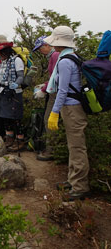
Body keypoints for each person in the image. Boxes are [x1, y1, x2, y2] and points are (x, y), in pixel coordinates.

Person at [45, 25, 89, 201]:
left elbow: (62, 91)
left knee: (77, 147)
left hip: (71, 108)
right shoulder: (73, 57)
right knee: (73, 145)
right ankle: (73, 180)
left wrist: (54, 112)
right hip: (74, 107)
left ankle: (80, 187)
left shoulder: (64, 61)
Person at [0, 41, 25, 152]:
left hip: (14, 93)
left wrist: (15, 83)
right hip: (3, 91)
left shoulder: (17, 60)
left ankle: (20, 140)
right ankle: (9, 139)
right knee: (5, 117)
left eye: (0, 52)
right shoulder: (2, 62)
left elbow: (20, 76)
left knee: (16, 117)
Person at [32, 36, 60, 161]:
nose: (40, 51)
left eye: (41, 48)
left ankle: (51, 151)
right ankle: (57, 149)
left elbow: (56, 77)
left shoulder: (54, 56)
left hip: (56, 93)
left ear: (47, 45)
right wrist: (45, 84)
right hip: (58, 91)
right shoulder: (56, 55)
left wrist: (43, 90)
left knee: (49, 119)